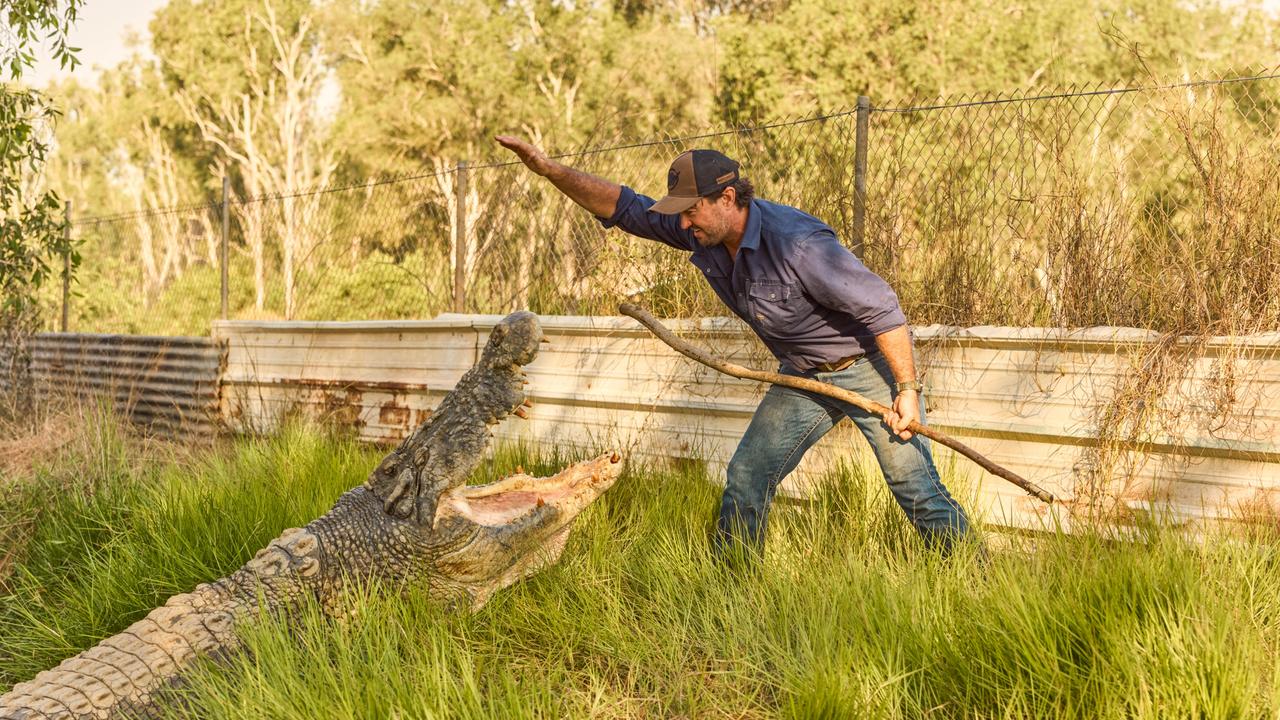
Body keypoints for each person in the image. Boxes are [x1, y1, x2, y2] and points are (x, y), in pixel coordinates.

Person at [496, 135, 975, 556]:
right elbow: (622, 207)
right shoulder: (705, 234)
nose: (683, 225)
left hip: (869, 367)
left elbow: (882, 308)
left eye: (690, 211)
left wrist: (907, 390)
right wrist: (549, 169)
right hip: (804, 374)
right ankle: (731, 583)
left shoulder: (799, 244)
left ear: (727, 197)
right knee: (747, 476)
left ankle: (974, 575)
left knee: (915, 488)